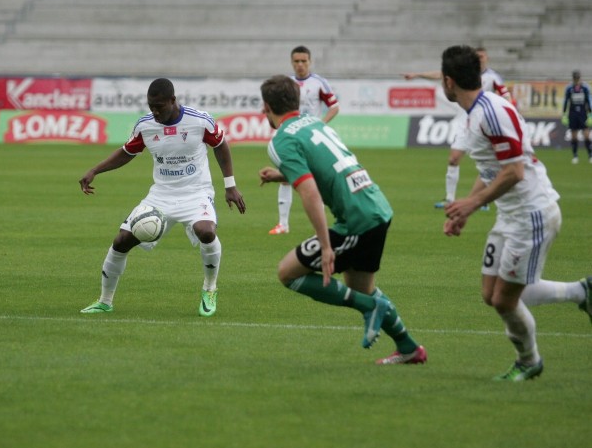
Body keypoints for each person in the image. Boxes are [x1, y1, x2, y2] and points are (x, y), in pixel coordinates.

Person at [441, 45, 591, 381]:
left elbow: (515, 172)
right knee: (490, 294)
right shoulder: (478, 112)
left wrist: (473, 204)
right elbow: (492, 168)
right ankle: (582, 292)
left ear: (448, 81)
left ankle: (529, 361)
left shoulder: (491, 111)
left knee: (505, 301)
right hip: (511, 215)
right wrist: (465, 207)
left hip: (532, 213)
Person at [258, 74, 426, 364]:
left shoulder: (281, 141)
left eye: (263, 105)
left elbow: (309, 193)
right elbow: (324, 166)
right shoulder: (314, 122)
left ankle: (370, 307)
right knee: (362, 287)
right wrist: (280, 175)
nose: (262, 111)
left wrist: (325, 246)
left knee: (288, 272)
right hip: (376, 206)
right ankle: (409, 348)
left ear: (268, 106)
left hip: (356, 219)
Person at [78, 78, 246, 316]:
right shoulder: (145, 125)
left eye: (160, 107)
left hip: (196, 191)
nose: (155, 112)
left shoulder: (199, 120)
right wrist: (95, 170)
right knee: (121, 241)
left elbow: (221, 146)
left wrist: (230, 185)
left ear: (173, 101)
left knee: (206, 231)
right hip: (161, 195)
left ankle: (209, 288)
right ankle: (105, 300)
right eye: (151, 107)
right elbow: (127, 152)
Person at [404, 47, 513, 209]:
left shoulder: (492, 77)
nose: (480, 59)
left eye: (482, 56)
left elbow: (505, 95)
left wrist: (509, 114)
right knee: (454, 158)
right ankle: (449, 198)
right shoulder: (465, 73)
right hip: (464, 121)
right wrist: (417, 75)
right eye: (478, 57)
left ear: (487, 58)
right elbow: (441, 74)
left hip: (483, 121)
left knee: (489, 161)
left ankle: (484, 199)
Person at [267, 46, 340, 235]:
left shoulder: (319, 83)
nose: (300, 65)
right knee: (285, 176)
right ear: (292, 62)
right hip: (289, 136)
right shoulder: (286, 84)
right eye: (296, 61)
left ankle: (320, 230)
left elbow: (334, 107)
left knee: (317, 179)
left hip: (310, 138)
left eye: (303, 61)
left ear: (310, 62)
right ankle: (283, 224)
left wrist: (321, 124)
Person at [561, 70, 592, 164]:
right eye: (575, 78)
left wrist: (590, 114)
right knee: (574, 136)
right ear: (573, 78)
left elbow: (588, 101)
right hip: (573, 113)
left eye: (578, 78)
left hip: (583, 113)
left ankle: (590, 155)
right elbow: (566, 101)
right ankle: (575, 156)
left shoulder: (585, 87)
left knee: (586, 135)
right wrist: (564, 114)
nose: (577, 80)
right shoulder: (569, 88)